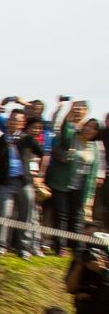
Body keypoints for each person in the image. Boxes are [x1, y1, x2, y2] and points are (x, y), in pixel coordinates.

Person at [47, 107, 100, 256]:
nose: (89, 129)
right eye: (88, 126)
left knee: (77, 217)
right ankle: (59, 247)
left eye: (93, 128)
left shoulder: (95, 147)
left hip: (80, 187)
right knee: (61, 215)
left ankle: (76, 247)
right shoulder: (72, 137)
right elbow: (65, 127)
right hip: (62, 183)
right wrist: (70, 111)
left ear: (97, 133)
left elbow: (94, 172)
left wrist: (89, 195)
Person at [0, 110, 42, 257]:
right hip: (5, 182)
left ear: (23, 123)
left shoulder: (28, 139)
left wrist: (39, 175)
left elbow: (43, 154)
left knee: (26, 215)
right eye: (11, 120)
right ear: (7, 122)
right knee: (3, 213)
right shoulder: (0, 141)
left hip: (24, 182)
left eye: (17, 120)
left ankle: (23, 248)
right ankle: (1, 246)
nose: (13, 122)